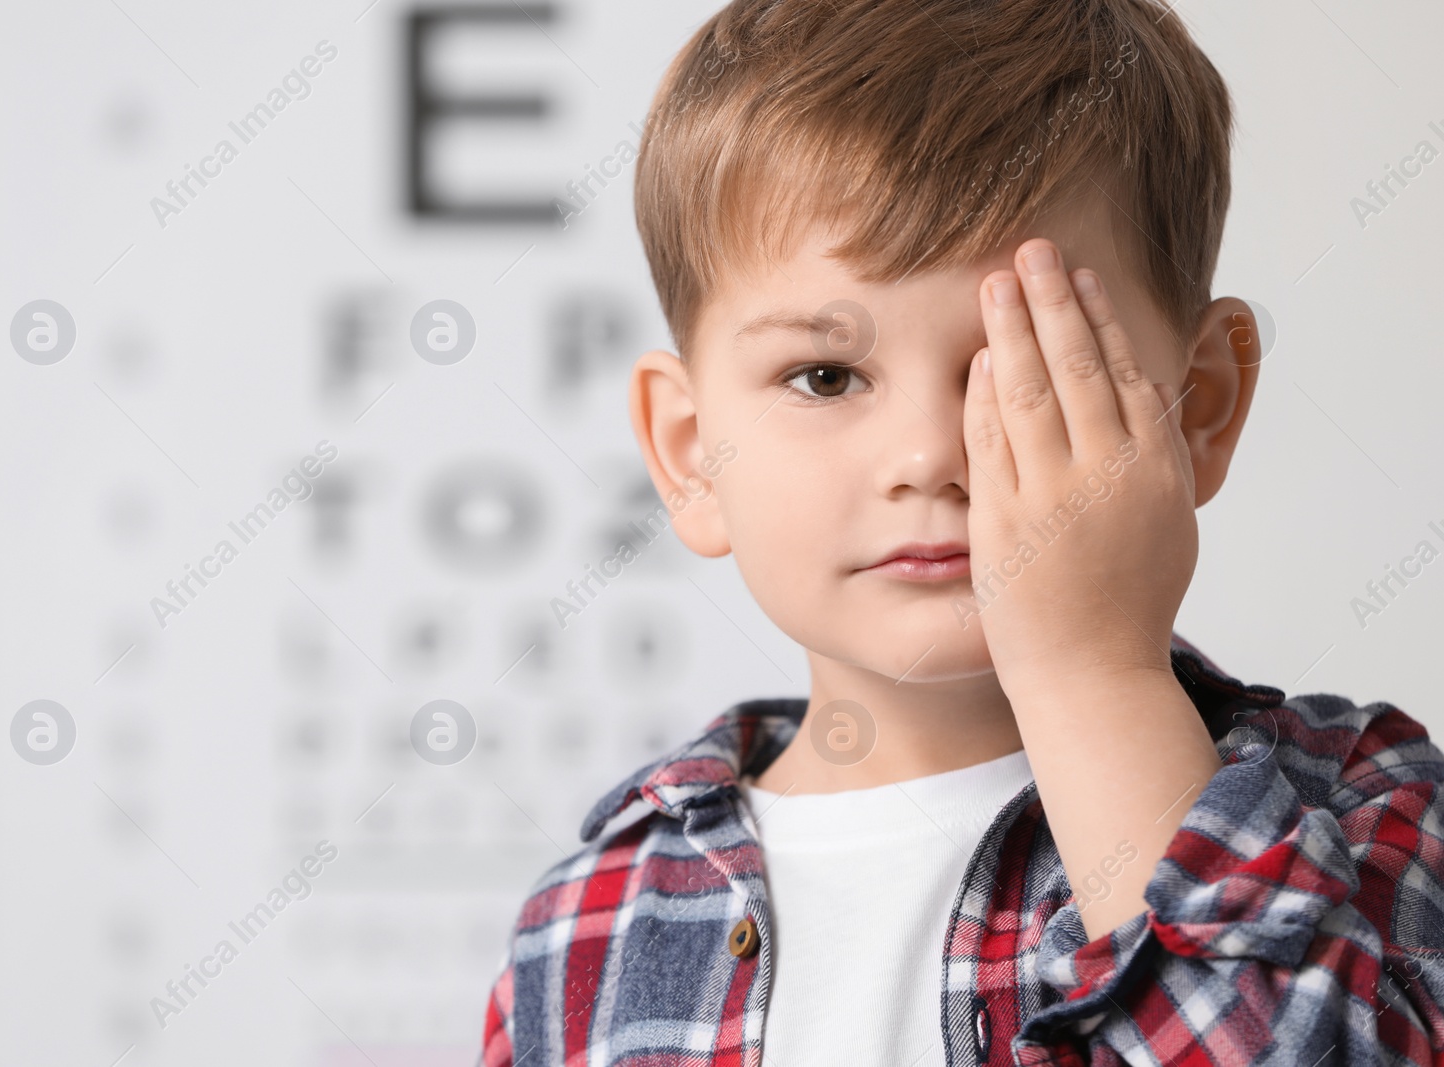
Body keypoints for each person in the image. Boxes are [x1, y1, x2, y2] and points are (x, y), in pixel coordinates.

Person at [481, 1, 1444, 1063]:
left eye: (1019, 367)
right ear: (689, 453)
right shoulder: (585, 921)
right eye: (824, 375)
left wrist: (1094, 676)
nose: (930, 456)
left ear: (1199, 405)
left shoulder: (1363, 807)